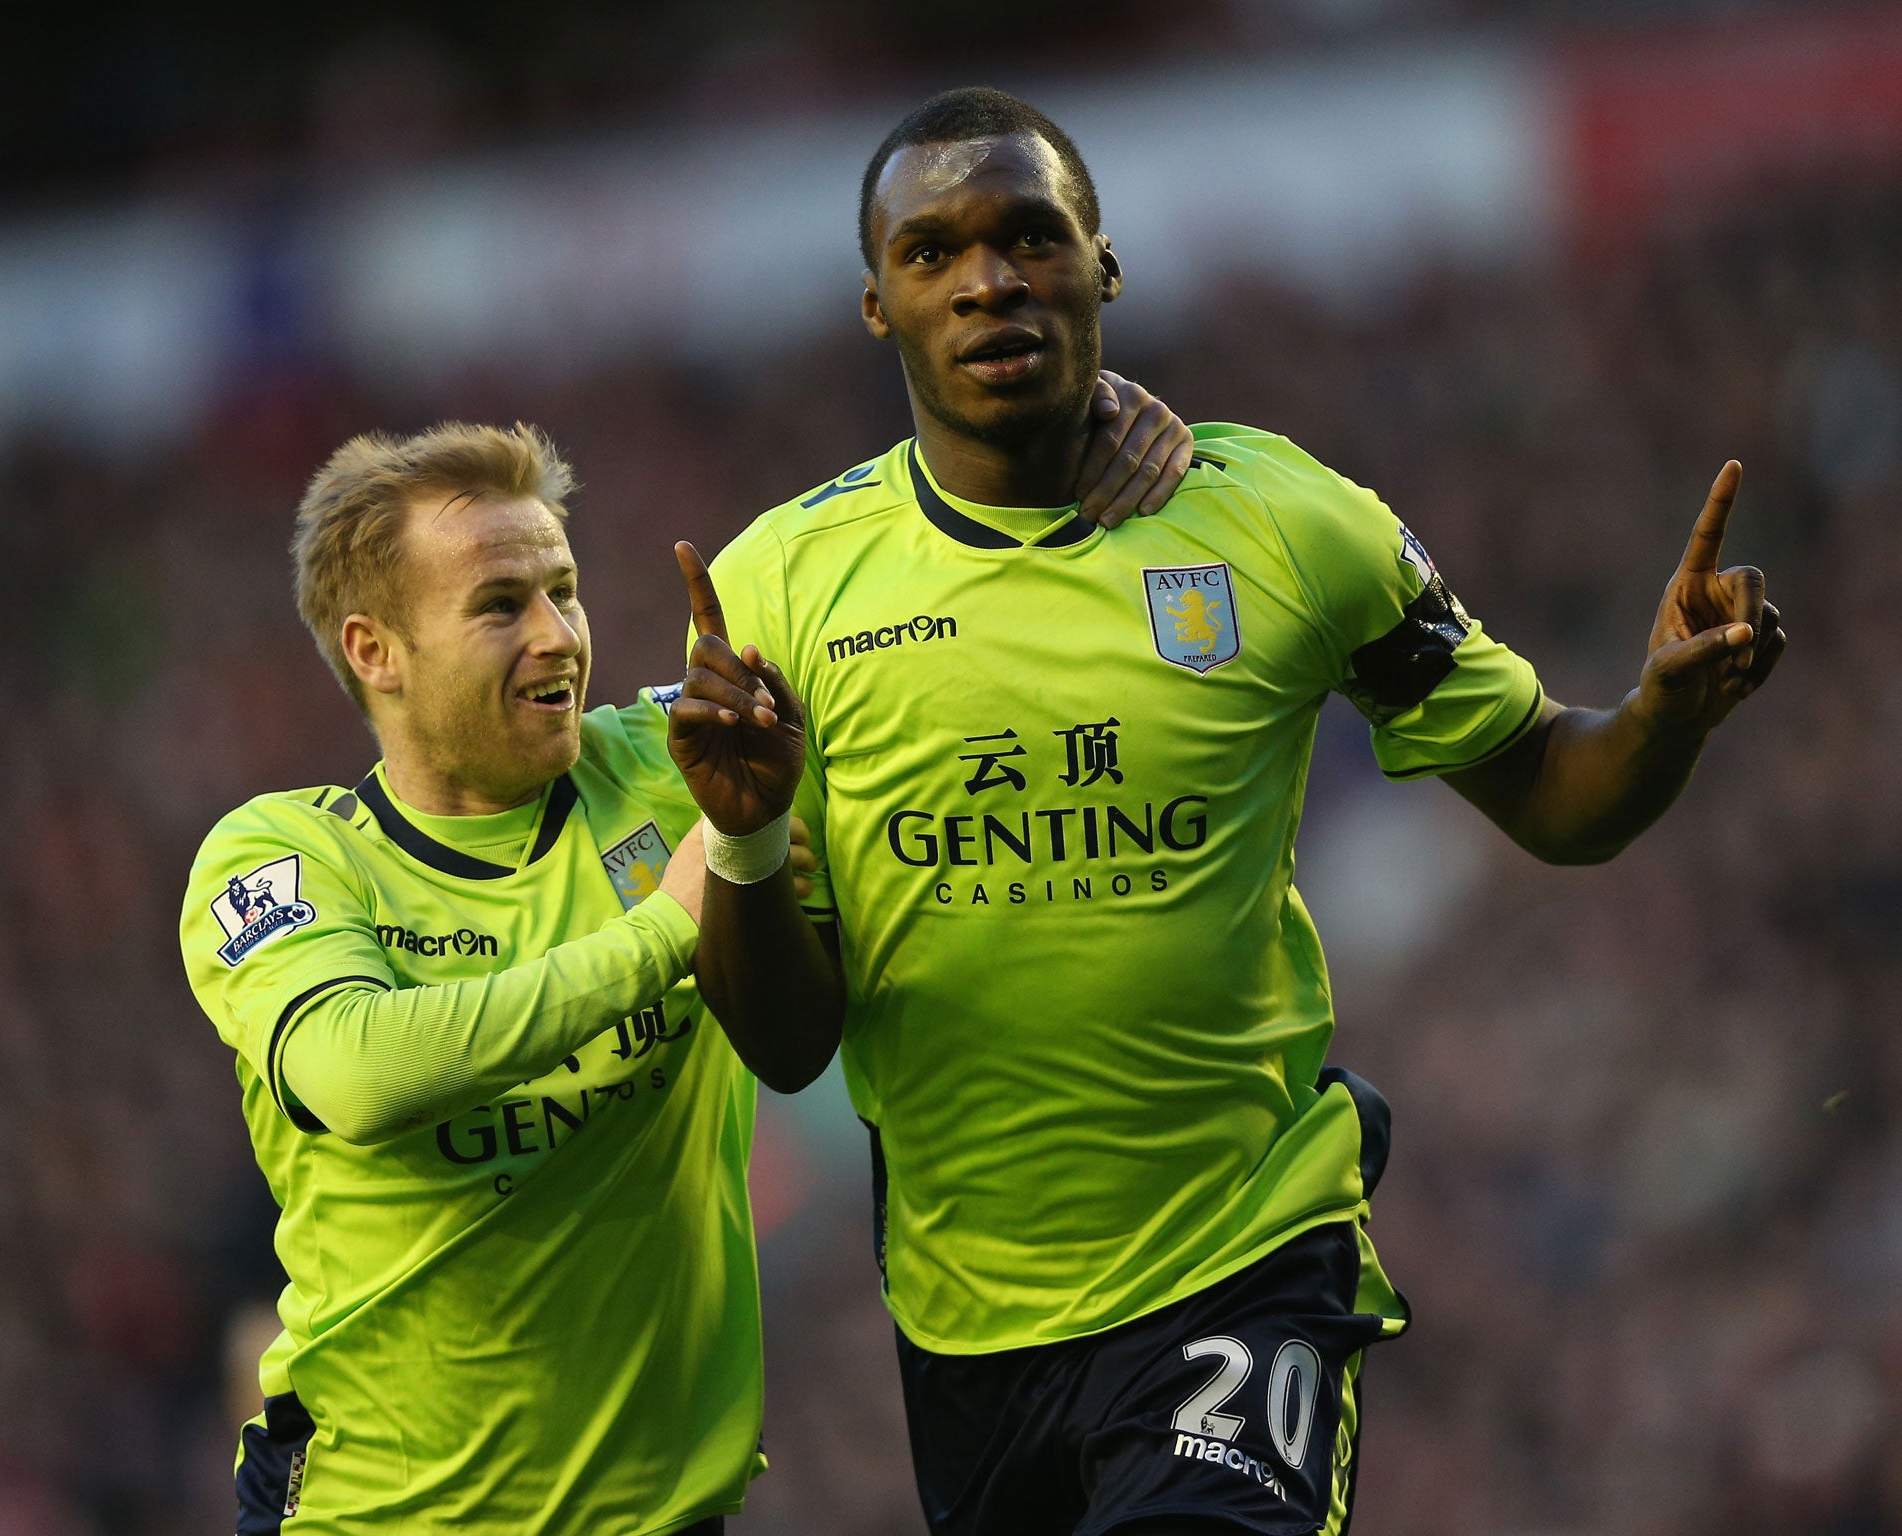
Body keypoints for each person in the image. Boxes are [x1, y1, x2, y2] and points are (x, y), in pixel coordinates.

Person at [668, 87, 1786, 1536]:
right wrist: (749, 843)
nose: (989, 279)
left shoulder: (1284, 522)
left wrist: (1660, 717)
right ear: (877, 305)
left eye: (1029, 237)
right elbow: (790, 1037)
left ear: (1104, 266)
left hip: (1244, 1261)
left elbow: (1558, 799)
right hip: (967, 1320)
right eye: (934, 254)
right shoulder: (779, 591)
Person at [181, 398, 1195, 1533]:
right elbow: (354, 1075)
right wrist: (669, 926)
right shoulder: (285, 856)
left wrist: (1052, 443)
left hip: (670, 1516)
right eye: (500, 606)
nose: (559, 636)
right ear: (375, 651)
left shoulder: (669, 771)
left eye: (563, 589)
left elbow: (921, 676)